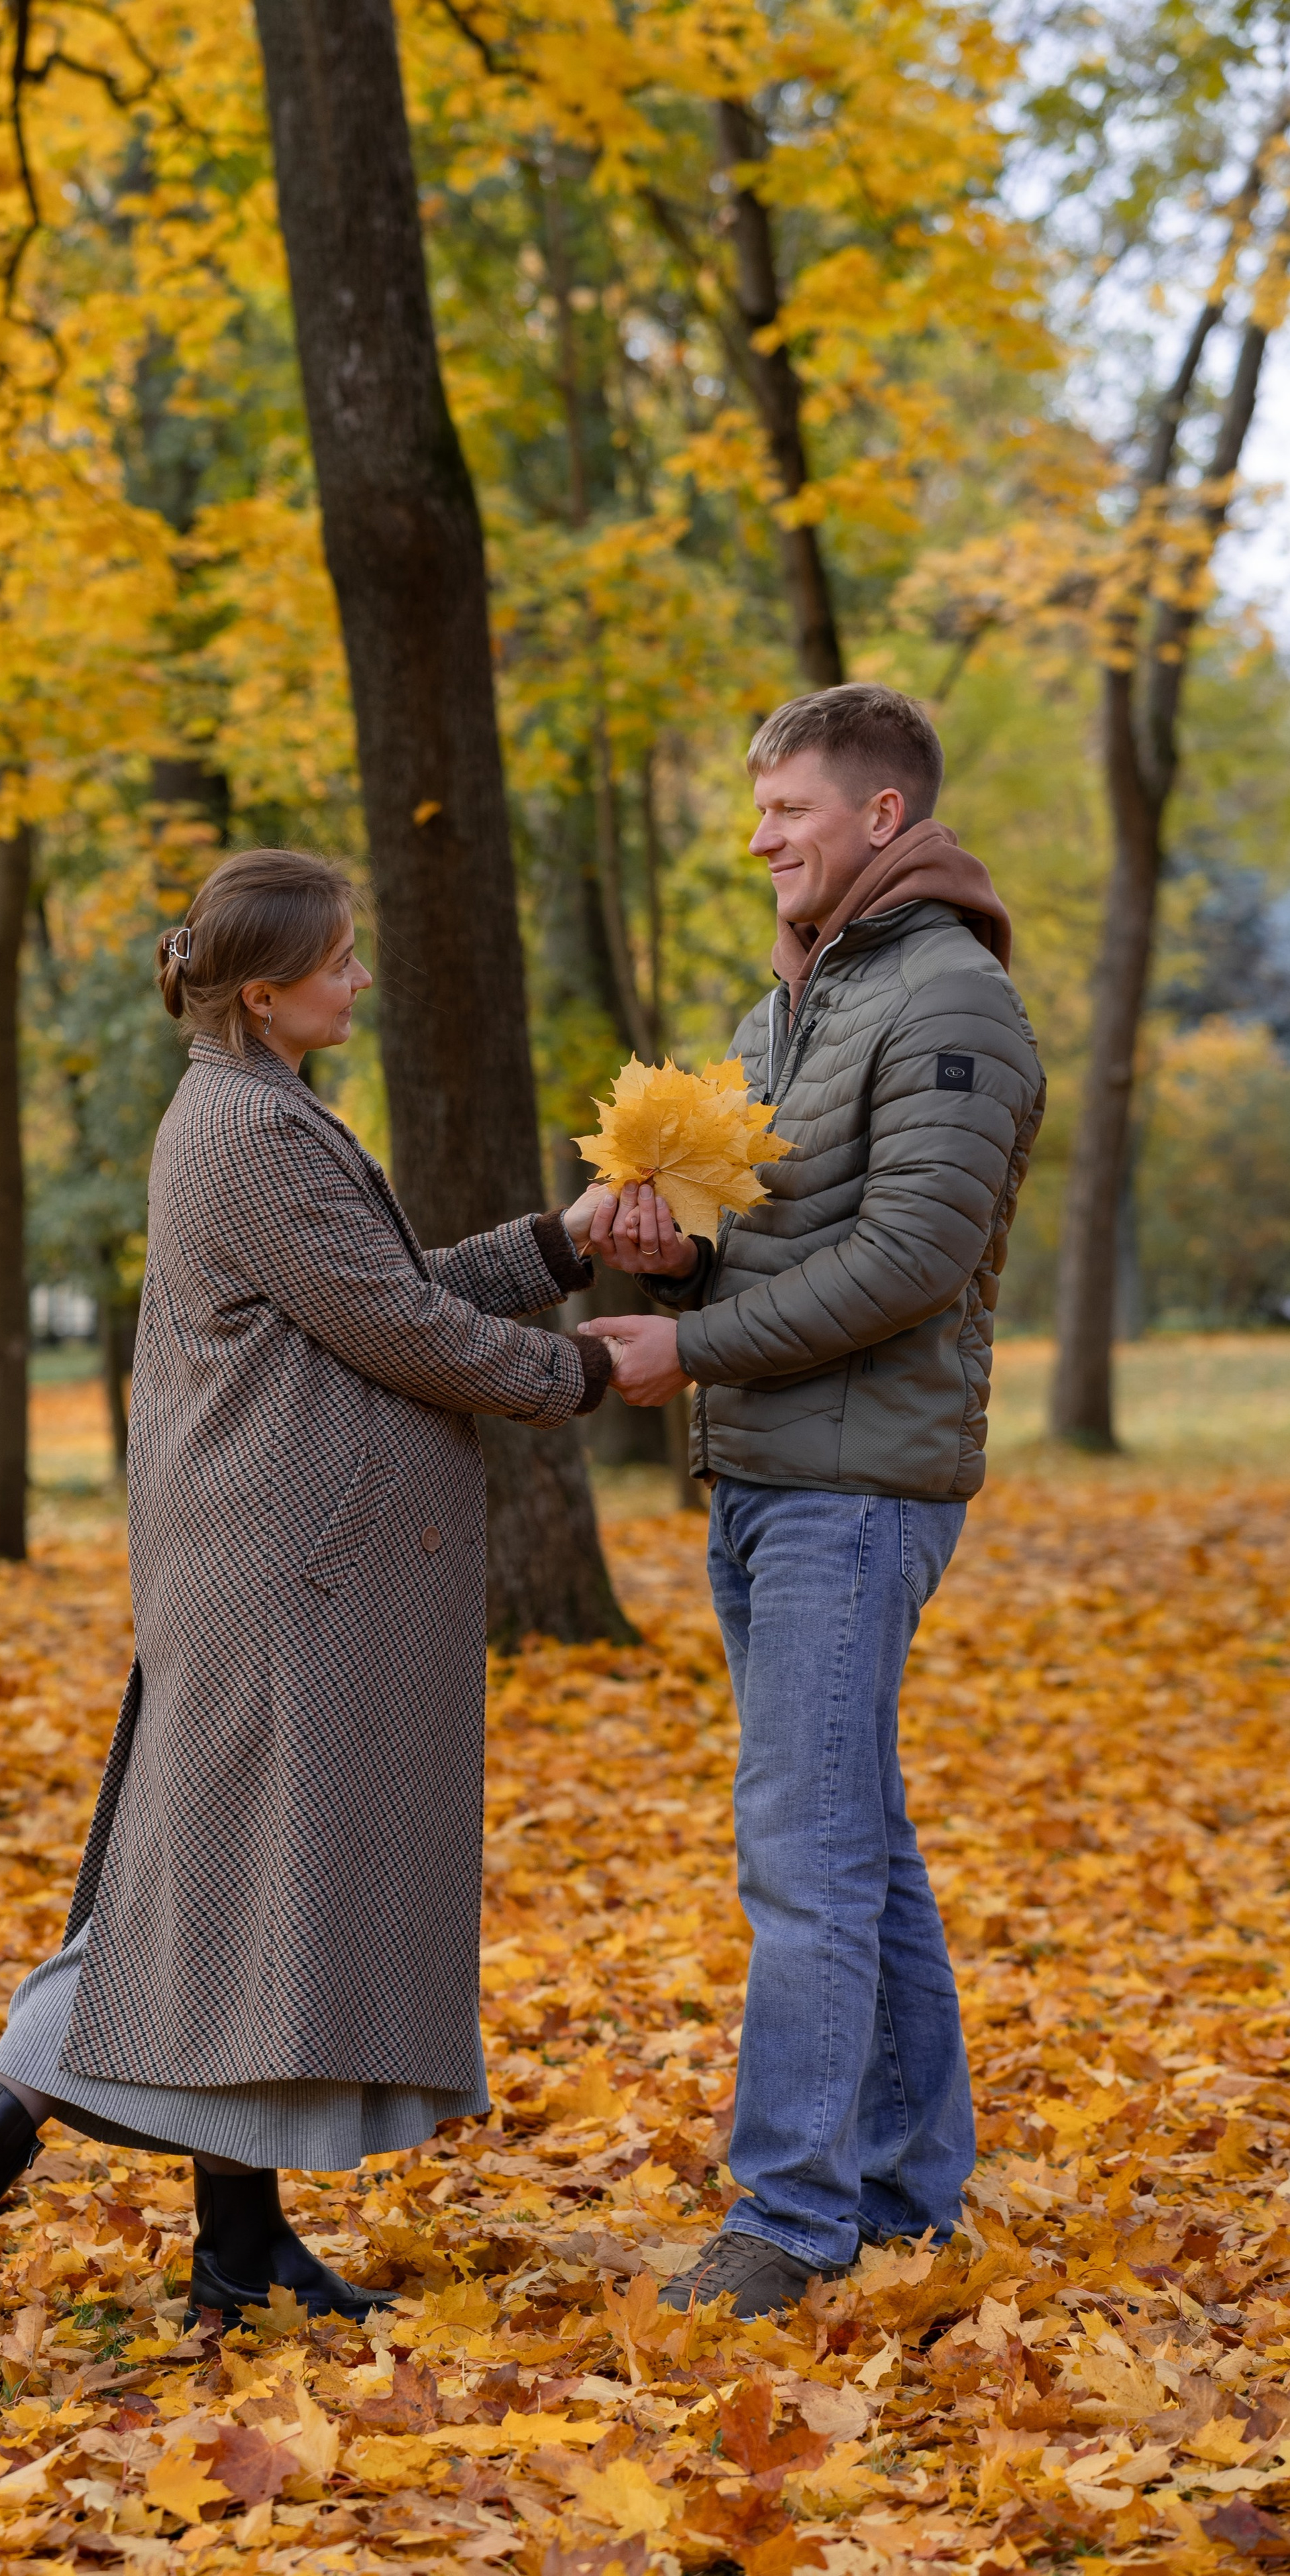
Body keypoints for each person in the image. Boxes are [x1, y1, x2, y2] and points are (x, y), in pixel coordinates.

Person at [0, 848, 625, 2337]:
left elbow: (378, 1288)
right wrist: (584, 1372)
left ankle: (234, 2245)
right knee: (188, 1901)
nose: (359, 979)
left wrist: (562, 1244)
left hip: (274, 1560)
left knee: (242, 1892)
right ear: (265, 995)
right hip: (278, 1573)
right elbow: (400, 1326)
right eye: (338, 963)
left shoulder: (259, 1110)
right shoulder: (247, 1130)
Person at [581, 684, 1044, 2321]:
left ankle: (786, 2217)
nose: (755, 836)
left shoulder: (947, 1002)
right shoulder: (784, 1005)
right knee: (856, 1842)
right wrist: (670, 1254)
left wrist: (690, 1346)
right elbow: (760, 1230)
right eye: (757, 805)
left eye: (786, 808)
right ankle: (908, 2186)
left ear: (880, 815)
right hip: (768, 1473)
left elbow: (911, 1257)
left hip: (851, 1491)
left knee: (803, 1853)